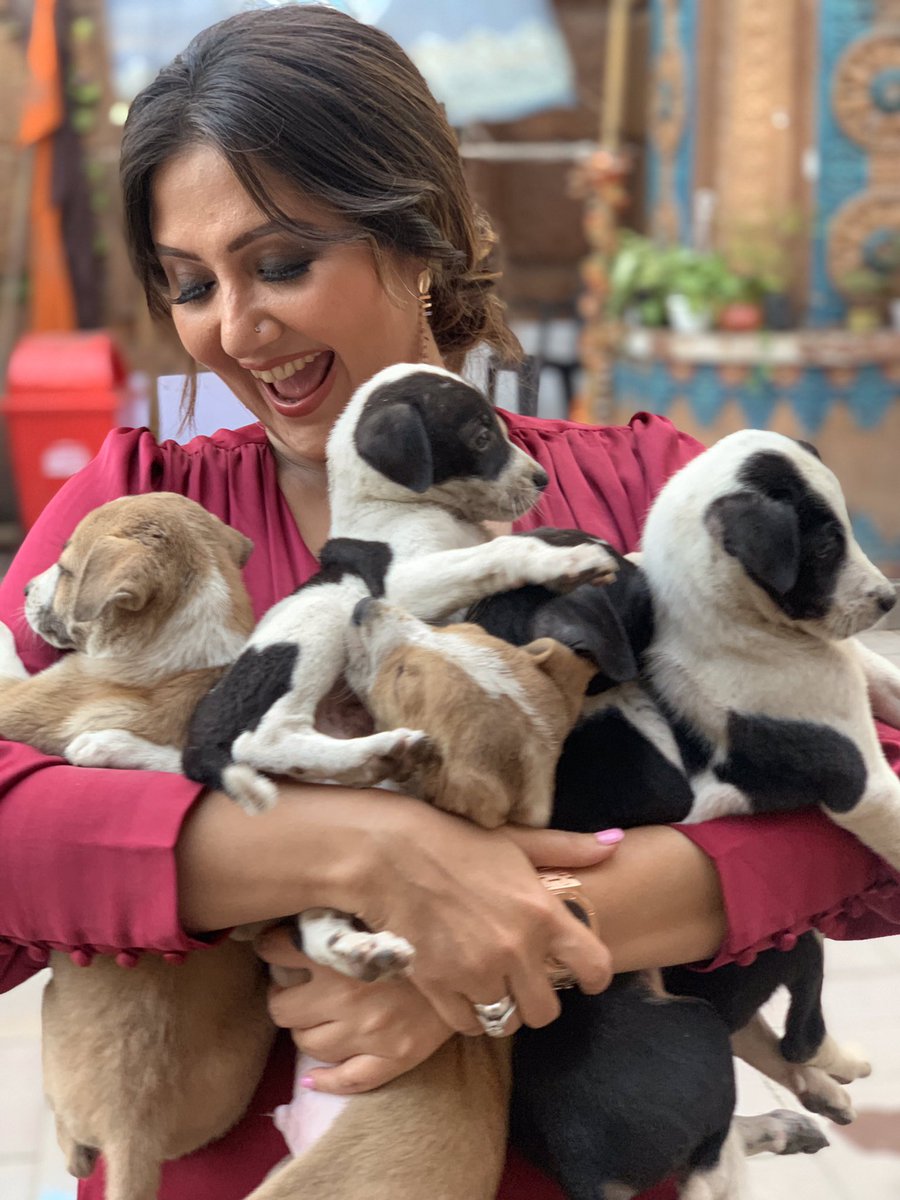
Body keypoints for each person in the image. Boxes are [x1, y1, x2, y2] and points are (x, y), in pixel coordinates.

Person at [1, 7, 899, 1199]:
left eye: (282, 264)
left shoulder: (644, 496)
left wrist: (526, 933)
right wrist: (368, 855)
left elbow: (871, 801)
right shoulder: (143, 523)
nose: (236, 328)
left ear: (420, 238)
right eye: (191, 284)